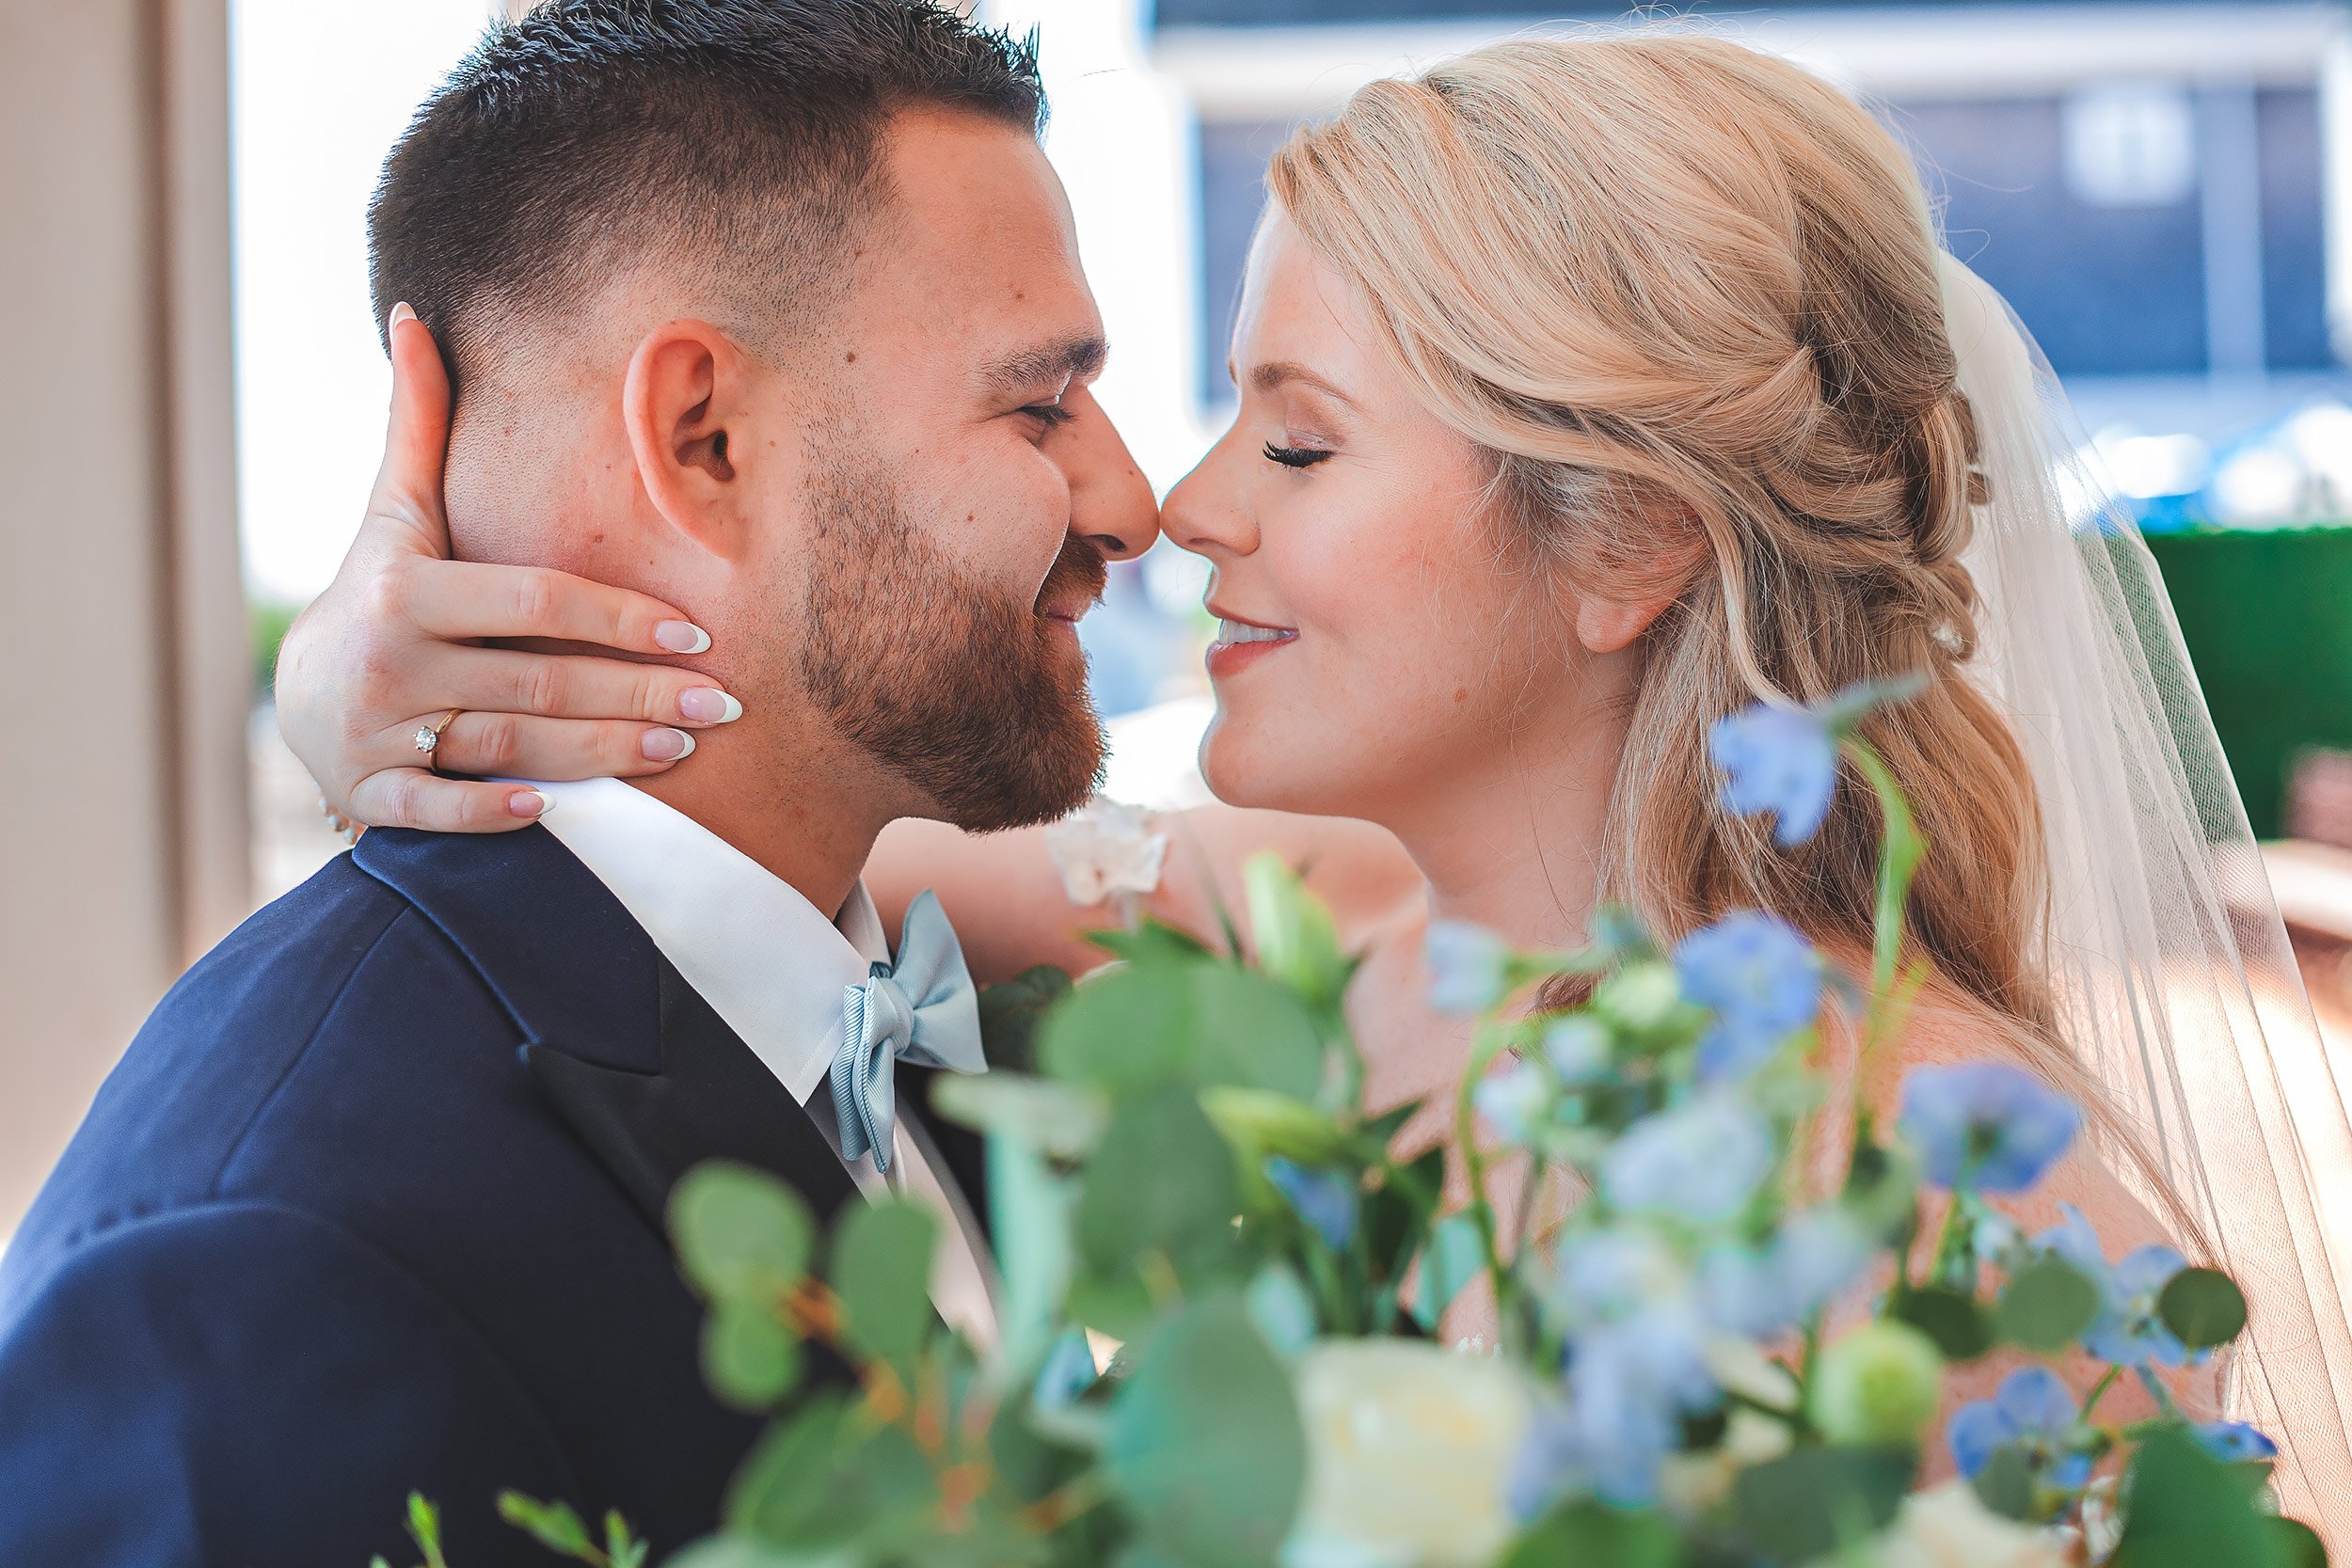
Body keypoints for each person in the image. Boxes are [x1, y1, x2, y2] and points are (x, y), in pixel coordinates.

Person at [284, 25, 2352, 1524]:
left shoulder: (1927, 1200)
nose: (1180, 507)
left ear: (1627, 542)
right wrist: (359, 680)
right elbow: (773, 818)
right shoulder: (1314, 931)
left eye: (1294, 440)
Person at [0, 3, 1160, 1562]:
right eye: (1038, 404)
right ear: (705, 439)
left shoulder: (895, 1011)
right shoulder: (269, 1257)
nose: (1132, 502)